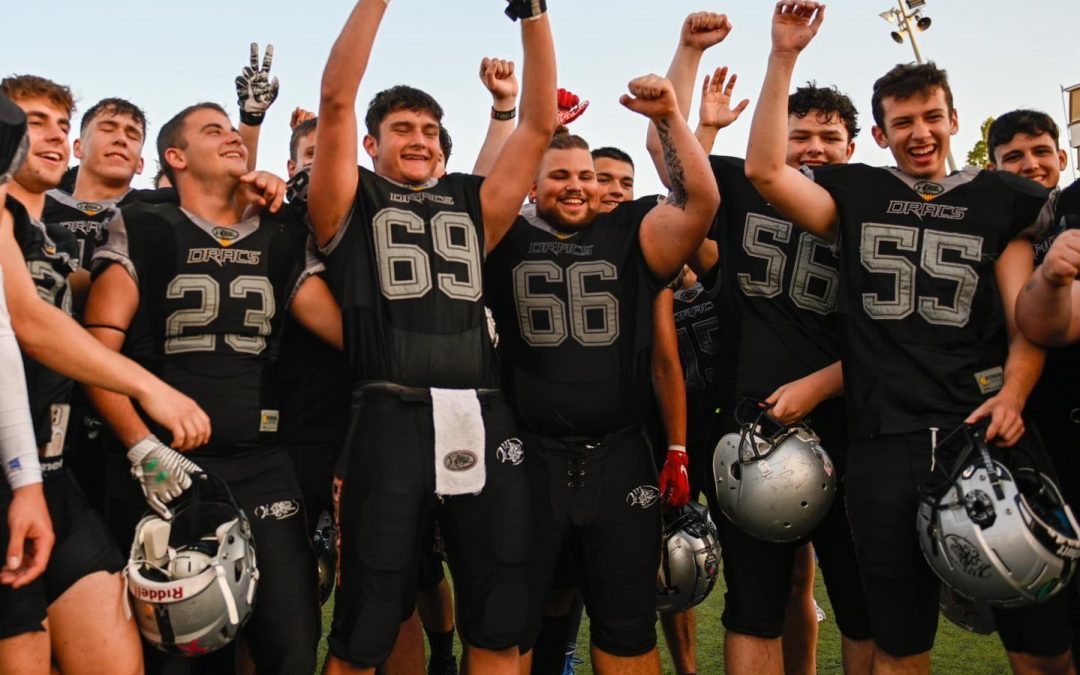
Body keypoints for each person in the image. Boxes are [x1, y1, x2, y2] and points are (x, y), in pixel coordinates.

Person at [744, 3, 1072, 673]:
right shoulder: (858, 190)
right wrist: (783, 56)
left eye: (931, 117)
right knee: (901, 644)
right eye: (903, 123)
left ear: (954, 119)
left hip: (983, 433)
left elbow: (1026, 322)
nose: (919, 133)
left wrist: (1014, 394)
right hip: (885, 443)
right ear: (883, 134)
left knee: (1040, 641)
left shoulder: (1000, 196)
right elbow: (766, 173)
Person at [307, 1, 556, 672]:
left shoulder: (472, 202)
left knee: (499, 616)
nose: (420, 139)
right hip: (389, 410)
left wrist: (532, 14)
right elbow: (335, 99)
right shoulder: (347, 200)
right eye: (401, 129)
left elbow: (539, 123)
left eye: (430, 130)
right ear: (371, 144)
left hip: (479, 407)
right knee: (368, 618)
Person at [647, 12, 874, 674]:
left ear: (852, 146)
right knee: (755, 602)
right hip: (749, 419)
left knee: (860, 601)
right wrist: (686, 53)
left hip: (852, 421)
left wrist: (825, 383)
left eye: (829, 137)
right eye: (799, 133)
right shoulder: (745, 188)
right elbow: (670, 157)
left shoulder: (869, 202)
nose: (813, 147)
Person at [85, 101, 342, 675]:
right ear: (175, 157)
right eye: (213, 130)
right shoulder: (144, 224)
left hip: (263, 463)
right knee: (178, 656)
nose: (231, 137)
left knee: (292, 646)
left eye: (233, 129)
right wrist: (139, 446)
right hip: (166, 470)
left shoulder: (280, 234)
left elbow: (347, 333)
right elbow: (95, 354)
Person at [484, 65, 719, 672]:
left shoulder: (631, 231)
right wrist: (512, 113)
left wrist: (668, 115)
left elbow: (701, 200)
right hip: (528, 458)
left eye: (586, 176)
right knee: (511, 626)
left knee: (626, 625)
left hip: (618, 457)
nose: (577, 186)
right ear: (531, 187)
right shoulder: (507, 236)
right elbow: (483, 190)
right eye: (559, 175)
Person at [0, 81, 211, 675]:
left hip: (51, 470)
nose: (48, 134)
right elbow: (29, 325)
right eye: (31, 120)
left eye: (58, 123)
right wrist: (147, 387)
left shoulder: (50, 235)